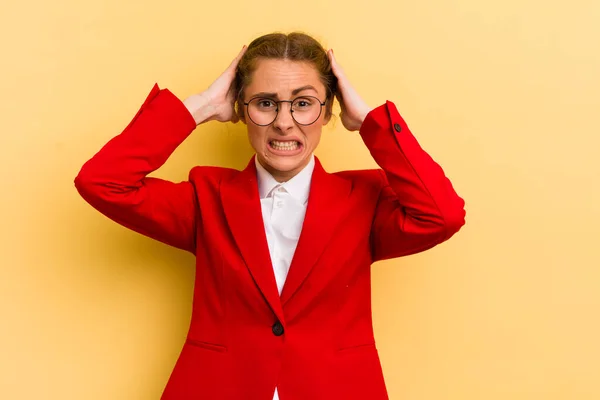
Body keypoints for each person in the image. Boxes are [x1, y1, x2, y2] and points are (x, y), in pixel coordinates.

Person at [75, 32, 466, 400]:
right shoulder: (206, 197)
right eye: (265, 102)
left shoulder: (364, 200)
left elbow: (442, 216)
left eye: (303, 103)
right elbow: (102, 182)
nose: (283, 121)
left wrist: (368, 122)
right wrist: (200, 107)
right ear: (242, 111)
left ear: (329, 111)